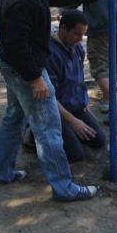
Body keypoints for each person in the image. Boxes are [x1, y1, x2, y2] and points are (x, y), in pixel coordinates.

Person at [0, 0, 111, 202]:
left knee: (14, 119)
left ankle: (1, 173)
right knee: (48, 129)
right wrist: (35, 78)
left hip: (15, 64)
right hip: (25, 68)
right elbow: (16, 44)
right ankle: (65, 189)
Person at [31, 10, 106, 163]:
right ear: (64, 28)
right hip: (53, 111)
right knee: (75, 155)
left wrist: (83, 104)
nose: (81, 39)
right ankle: (33, 135)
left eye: (83, 34)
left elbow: (78, 80)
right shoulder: (50, 54)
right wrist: (72, 121)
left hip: (74, 107)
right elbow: (48, 97)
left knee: (99, 140)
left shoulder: (77, 47)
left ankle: (65, 134)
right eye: (77, 34)